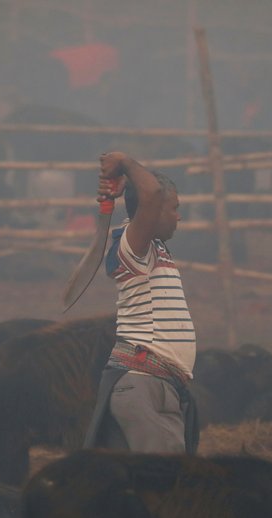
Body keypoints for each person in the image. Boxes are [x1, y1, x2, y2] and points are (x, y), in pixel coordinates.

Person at [83, 151, 198, 454]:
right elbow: (152, 193)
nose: (179, 216)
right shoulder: (134, 249)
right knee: (163, 483)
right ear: (153, 211)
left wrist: (127, 183)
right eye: (174, 208)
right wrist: (126, 162)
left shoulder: (154, 249)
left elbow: (149, 194)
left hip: (160, 386)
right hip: (144, 384)